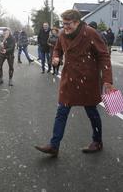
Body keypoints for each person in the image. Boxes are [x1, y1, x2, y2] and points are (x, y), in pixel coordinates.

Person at [35, 9, 114, 157]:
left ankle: (97, 142)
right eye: (63, 24)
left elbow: (104, 55)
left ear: (77, 22)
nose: (65, 27)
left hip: (87, 80)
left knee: (92, 112)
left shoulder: (90, 33)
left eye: (68, 24)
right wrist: (56, 57)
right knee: (62, 111)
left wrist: (107, 80)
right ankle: (54, 145)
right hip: (69, 79)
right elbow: (57, 49)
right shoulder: (63, 34)